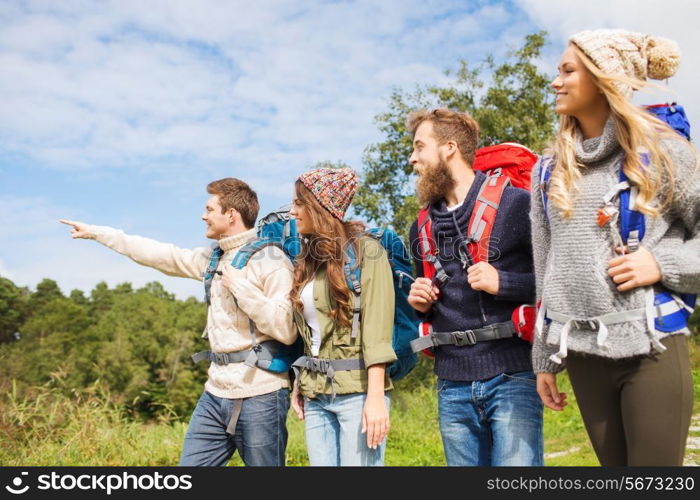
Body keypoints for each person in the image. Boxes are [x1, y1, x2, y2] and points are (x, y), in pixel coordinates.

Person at [531, 29, 698, 466]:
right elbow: (545, 266)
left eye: (568, 71)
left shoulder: (662, 151)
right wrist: (544, 358)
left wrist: (661, 263)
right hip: (583, 355)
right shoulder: (547, 170)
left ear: (605, 77)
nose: (555, 82)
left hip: (651, 347)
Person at [60, 177, 296, 466]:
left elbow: (286, 330)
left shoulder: (271, 261)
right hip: (215, 393)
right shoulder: (213, 259)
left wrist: (241, 289)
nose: (203, 215)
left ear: (231, 214)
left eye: (210, 209)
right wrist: (99, 233)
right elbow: (162, 255)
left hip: (261, 394)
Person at [406, 108, 543, 466]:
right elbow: (430, 305)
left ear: (449, 147)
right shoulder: (419, 227)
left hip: (512, 375)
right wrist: (420, 303)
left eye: (420, 147)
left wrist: (505, 283)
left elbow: (555, 283)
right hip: (451, 382)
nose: (413, 158)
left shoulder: (517, 205)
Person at [287, 167, 397, 466]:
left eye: (299, 202)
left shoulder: (366, 253)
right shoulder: (310, 260)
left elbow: (377, 332)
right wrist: (301, 381)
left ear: (320, 207)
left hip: (357, 394)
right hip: (316, 394)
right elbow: (314, 331)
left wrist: (375, 399)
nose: (292, 210)